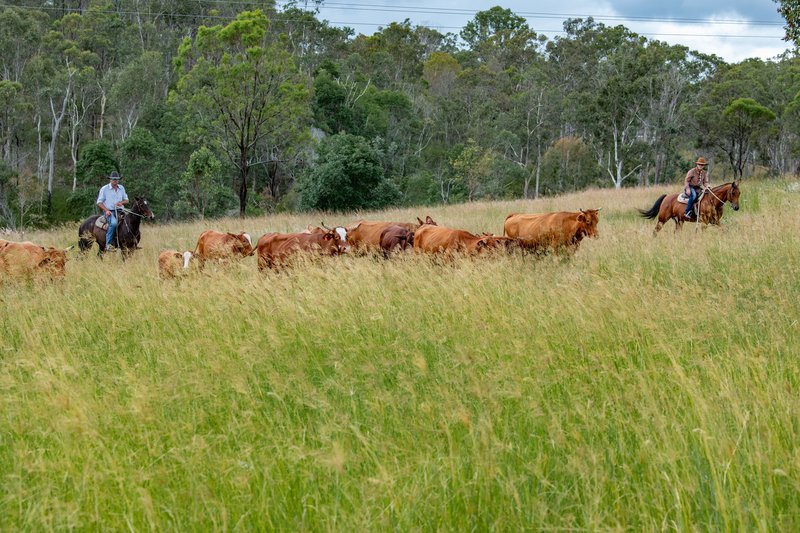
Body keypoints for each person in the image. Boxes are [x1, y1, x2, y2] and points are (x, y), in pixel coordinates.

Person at [96, 170, 129, 251]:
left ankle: (131, 242)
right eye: (113, 179)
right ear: (110, 180)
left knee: (131, 220)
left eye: (117, 179)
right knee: (114, 223)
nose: (115, 181)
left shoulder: (121, 188)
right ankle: (108, 245)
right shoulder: (104, 189)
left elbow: (127, 200)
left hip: (120, 210)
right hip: (109, 211)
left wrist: (121, 203)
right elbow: (99, 202)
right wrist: (106, 210)